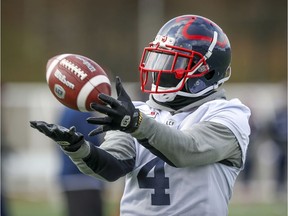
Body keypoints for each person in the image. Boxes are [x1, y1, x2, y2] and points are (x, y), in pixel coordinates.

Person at [30, 15, 251, 216]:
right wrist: (79, 149)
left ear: (208, 73)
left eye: (175, 62)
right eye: (160, 59)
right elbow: (113, 166)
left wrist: (136, 123)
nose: (160, 70)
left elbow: (187, 150)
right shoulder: (140, 112)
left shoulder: (229, 115)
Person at [56, 107, 104, 216]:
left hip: (75, 179)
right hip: (82, 180)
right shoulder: (79, 112)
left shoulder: (69, 111)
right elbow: (91, 144)